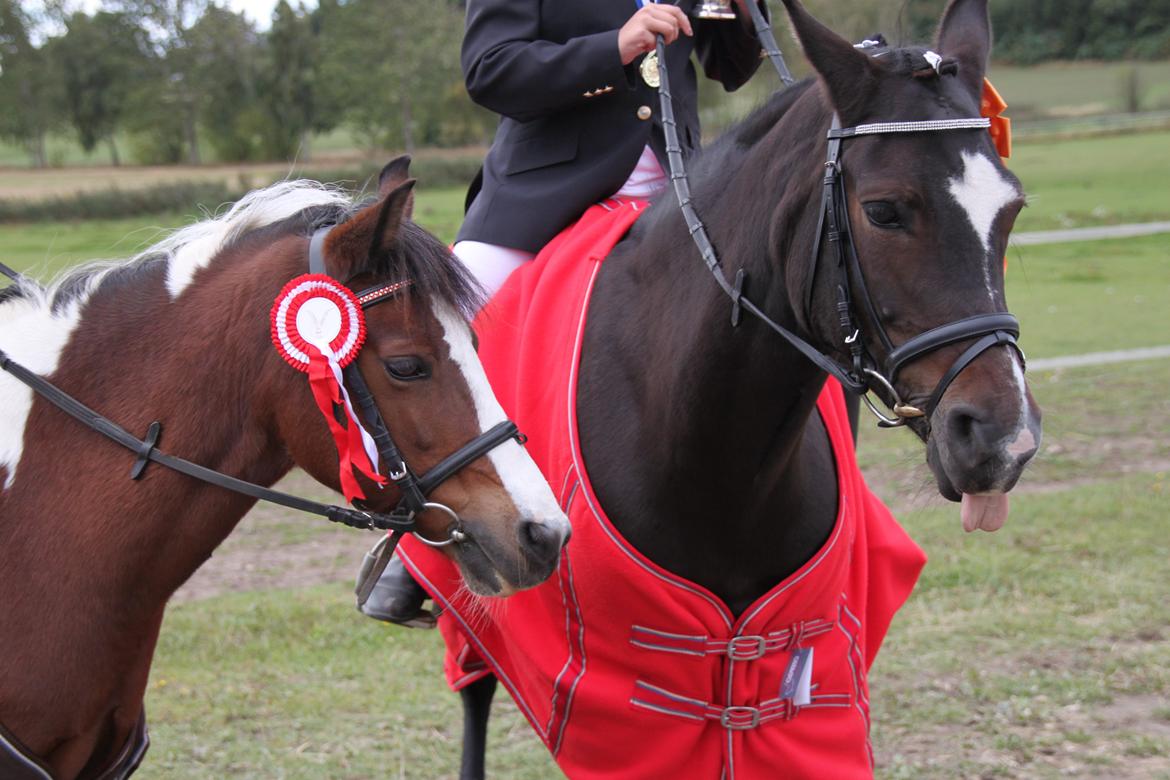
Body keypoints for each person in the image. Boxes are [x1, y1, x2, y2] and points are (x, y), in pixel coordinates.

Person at [360, 0, 767, 624]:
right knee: (451, 331)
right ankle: (416, 558)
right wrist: (615, 48)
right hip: (543, 194)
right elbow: (491, 70)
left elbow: (732, 67)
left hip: (682, 195)